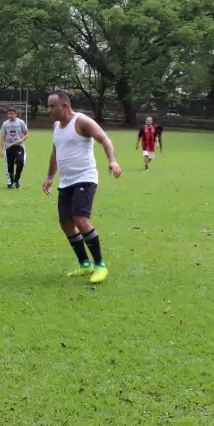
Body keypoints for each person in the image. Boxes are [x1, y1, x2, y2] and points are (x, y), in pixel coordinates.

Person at [42, 90, 122, 284]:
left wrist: (112, 160)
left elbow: (104, 139)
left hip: (85, 178)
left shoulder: (82, 121)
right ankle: (85, 264)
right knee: (66, 222)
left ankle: (100, 265)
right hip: (66, 181)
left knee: (80, 218)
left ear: (65, 106)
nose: (48, 110)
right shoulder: (56, 126)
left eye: (52, 106)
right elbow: (55, 152)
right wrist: (50, 176)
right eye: (48, 106)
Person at [0, 107, 30, 189]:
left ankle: (17, 179)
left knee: (20, 162)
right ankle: (10, 181)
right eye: (8, 113)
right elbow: (2, 137)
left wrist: (20, 140)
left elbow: (27, 134)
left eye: (12, 113)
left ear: (16, 114)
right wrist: (1, 150)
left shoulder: (21, 122)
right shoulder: (5, 124)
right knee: (9, 165)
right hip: (9, 147)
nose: (10, 115)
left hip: (19, 146)